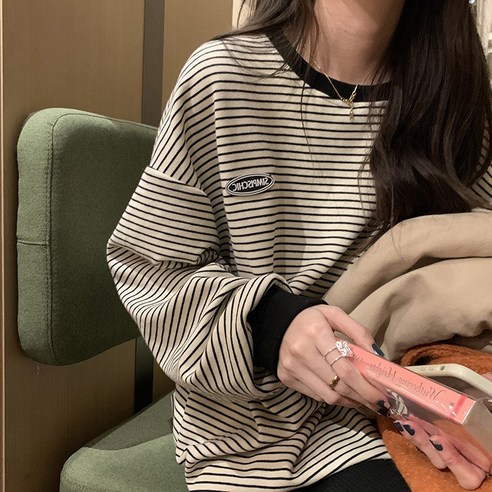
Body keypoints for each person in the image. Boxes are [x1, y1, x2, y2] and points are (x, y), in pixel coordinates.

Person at [107, 0, 492, 490]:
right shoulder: (223, 77)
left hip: (415, 412)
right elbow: (149, 269)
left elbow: (471, 259)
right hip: (256, 430)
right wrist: (272, 322)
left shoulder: (458, 98)